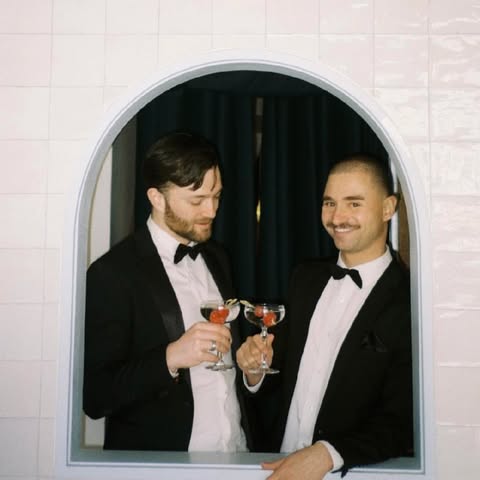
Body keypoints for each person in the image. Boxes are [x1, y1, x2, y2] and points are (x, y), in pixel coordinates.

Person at [236, 153, 413, 478]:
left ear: (388, 208)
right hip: (277, 467)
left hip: (349, 473)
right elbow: (277, 373)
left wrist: (329, 454)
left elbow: (403, 421)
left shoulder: (410, 302)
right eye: (329, 203)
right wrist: (255, 370)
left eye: (354, 203)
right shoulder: (304, 279)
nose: (337, 217)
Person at [83, 131, 250, 452]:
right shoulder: (112, 273)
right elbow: (95, 396)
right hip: (163, 464)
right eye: (197, 200)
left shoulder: (218, 257)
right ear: (157, 198)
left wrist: (249, 366)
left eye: (216, 196)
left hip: (235, 453)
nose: (212, 210)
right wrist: (170, 357)